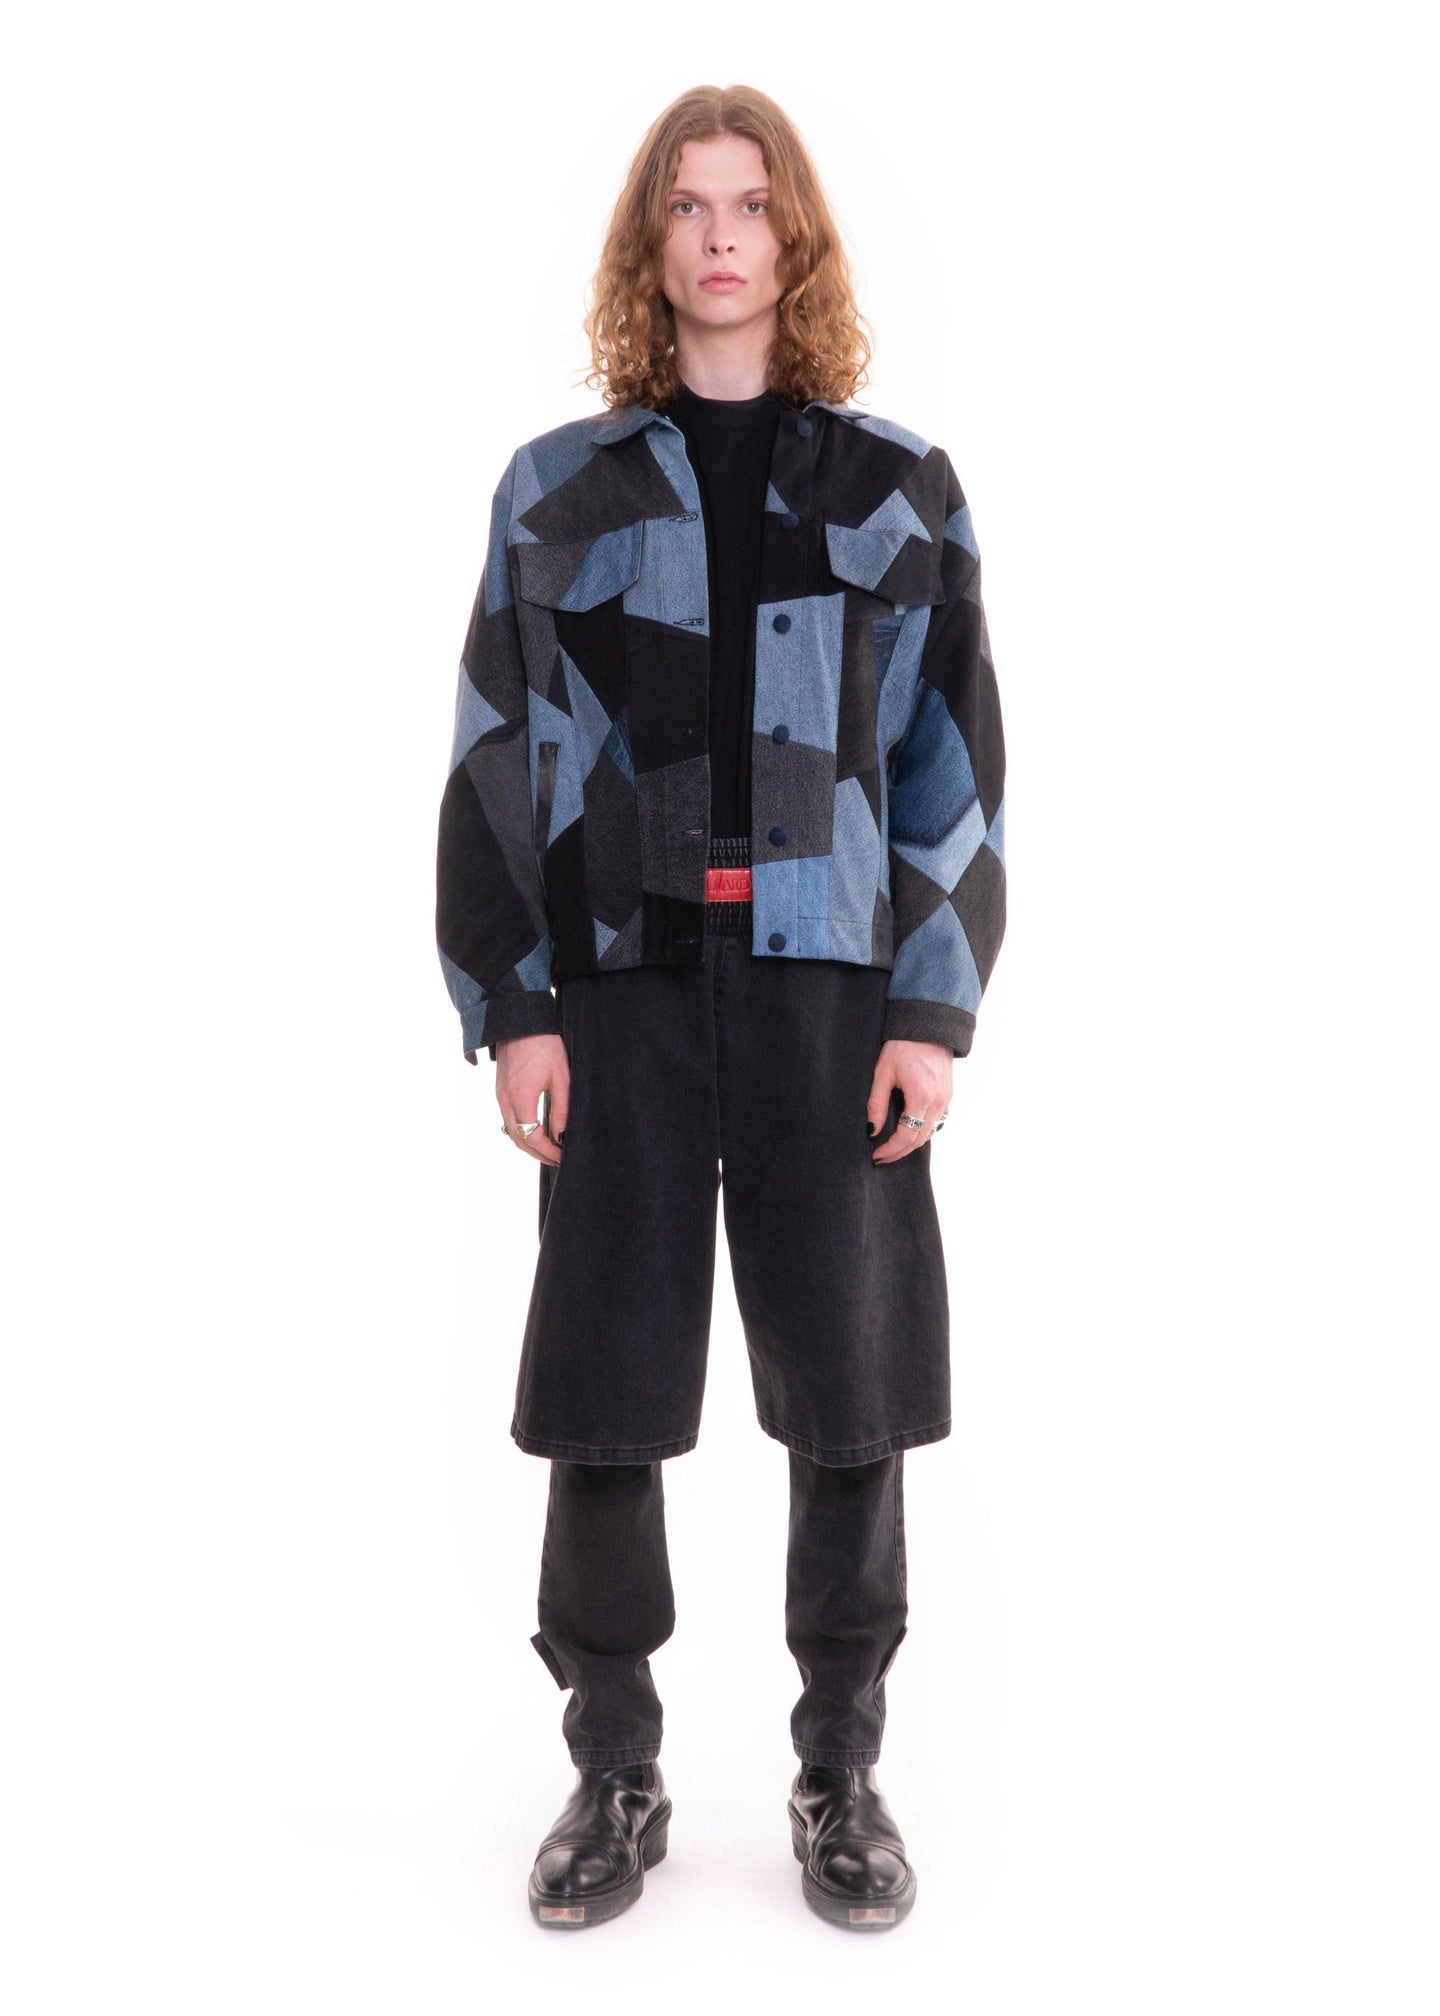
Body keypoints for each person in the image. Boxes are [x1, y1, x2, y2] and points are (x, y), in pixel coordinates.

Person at [435, 83, 1006, 1933]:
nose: (720, 236)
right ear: (651, 242)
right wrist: (516, 999)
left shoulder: (898, 490)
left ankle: (841, 1761)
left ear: (794, 234)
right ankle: (614, 1760)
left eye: (750, 204)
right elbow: (497, 750)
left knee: (852, 1378)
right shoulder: (561, 490)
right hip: (621, 989)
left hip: (833, 988)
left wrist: (930, 1007)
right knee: (608, 1379)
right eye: (686, 206)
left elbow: (951, 762)